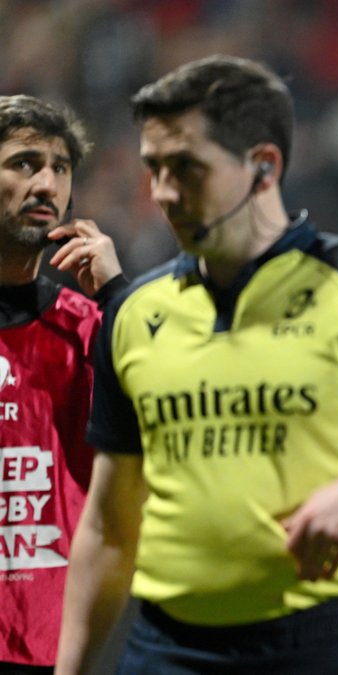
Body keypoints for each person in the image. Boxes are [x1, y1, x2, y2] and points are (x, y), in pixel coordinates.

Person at [54, 55, 338, 675]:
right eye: (155, 168)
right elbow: (108, 528)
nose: (164, 191)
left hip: (326, 643)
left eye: (187, 167)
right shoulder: (136, 311)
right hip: (167, 649)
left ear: (264, 167)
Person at [0, 94, 126, 674]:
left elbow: (176, 424)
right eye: (23, 164)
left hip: (51, 652)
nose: (47, 185)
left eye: (60, 168)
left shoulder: (93, 327)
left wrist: (119, 297)